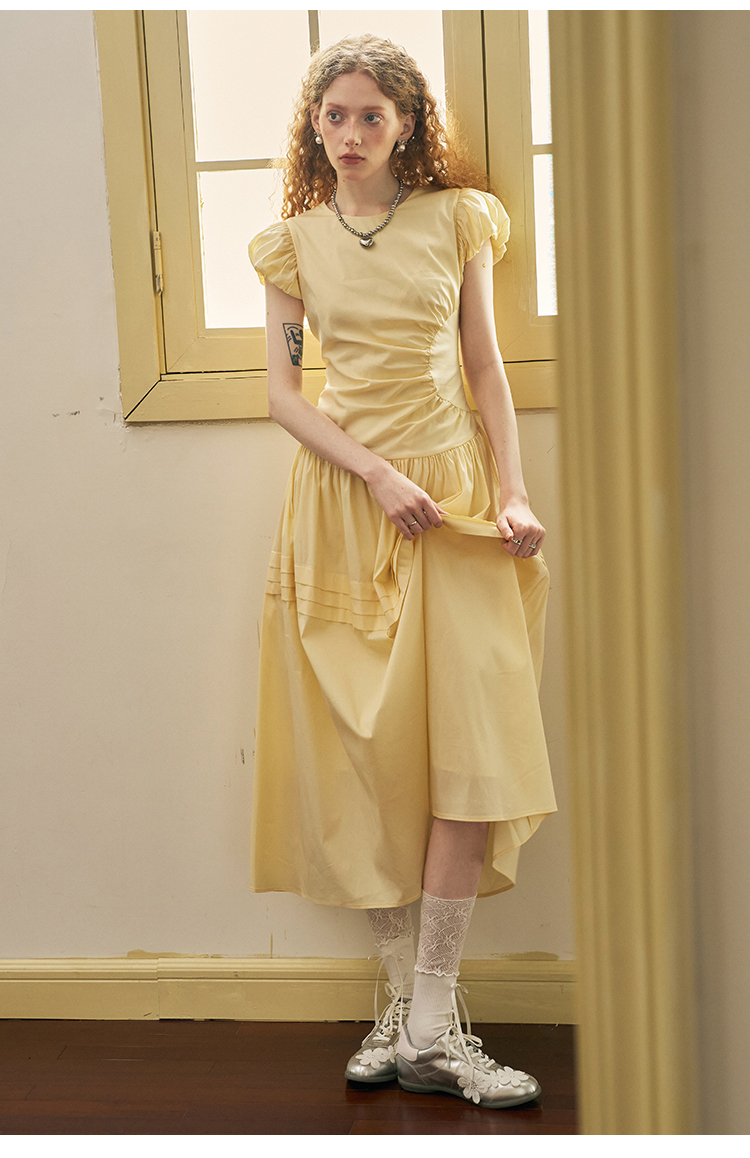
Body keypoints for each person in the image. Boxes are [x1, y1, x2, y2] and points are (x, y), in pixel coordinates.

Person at [248, 34, 557, 1110]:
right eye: (333, 116)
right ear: (313, 125)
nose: (349, 135)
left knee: (471, 748)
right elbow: (284, 397)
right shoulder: (289, 248)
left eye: (370, 116)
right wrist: (376, 474)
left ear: (409, 123)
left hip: (457, 506)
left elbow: (485, 367)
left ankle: (430, 1019)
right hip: (347, 504)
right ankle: (408, 1010)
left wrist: (513, 491)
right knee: (364, 755)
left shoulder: (459, 221)